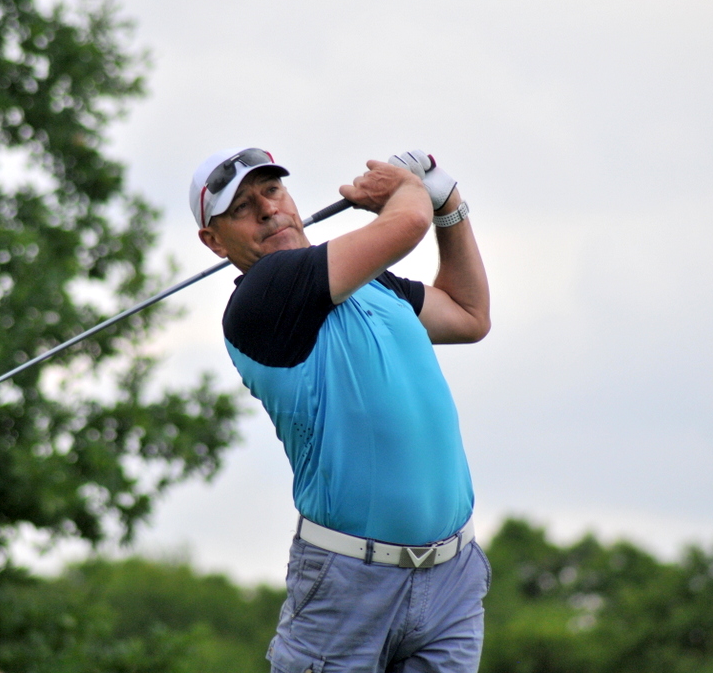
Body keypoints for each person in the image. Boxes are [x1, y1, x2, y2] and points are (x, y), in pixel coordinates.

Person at [190, 147, 491, 673]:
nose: (268, 210)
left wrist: (448, 204)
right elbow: (408, 223)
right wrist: (409, 190)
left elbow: (469, 315)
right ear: (214, 242)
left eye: (272, 190)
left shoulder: (372, 285)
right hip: (349, 584)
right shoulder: (264, 295)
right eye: (241, 208)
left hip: (452, 579)